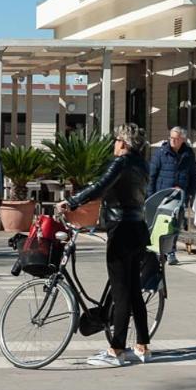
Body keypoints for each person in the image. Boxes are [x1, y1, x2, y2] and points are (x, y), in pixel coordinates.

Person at [57, 123, 152, 368]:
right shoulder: (142, 165)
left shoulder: (120, 163)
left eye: (117, 140)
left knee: (120, 292)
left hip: (121, 231)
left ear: (124, 143)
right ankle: (142, 346)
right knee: (133, 291)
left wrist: (71, 201)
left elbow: (99, 187)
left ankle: (116, 350)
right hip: (139, 229)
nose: (114, 144)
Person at [148, 125, 196, 266]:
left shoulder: (188, 154)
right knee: (161, 223)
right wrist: (151, 196)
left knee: (175, 224)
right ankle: (158, 250)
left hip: (180, 196)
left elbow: (194, 175)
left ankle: (171, 252)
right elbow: (152, 176)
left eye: (176, 138)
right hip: (162, 195)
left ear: (183, 139)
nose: (173, 141)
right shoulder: (161, 153)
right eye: (171, 137)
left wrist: (190, 194)